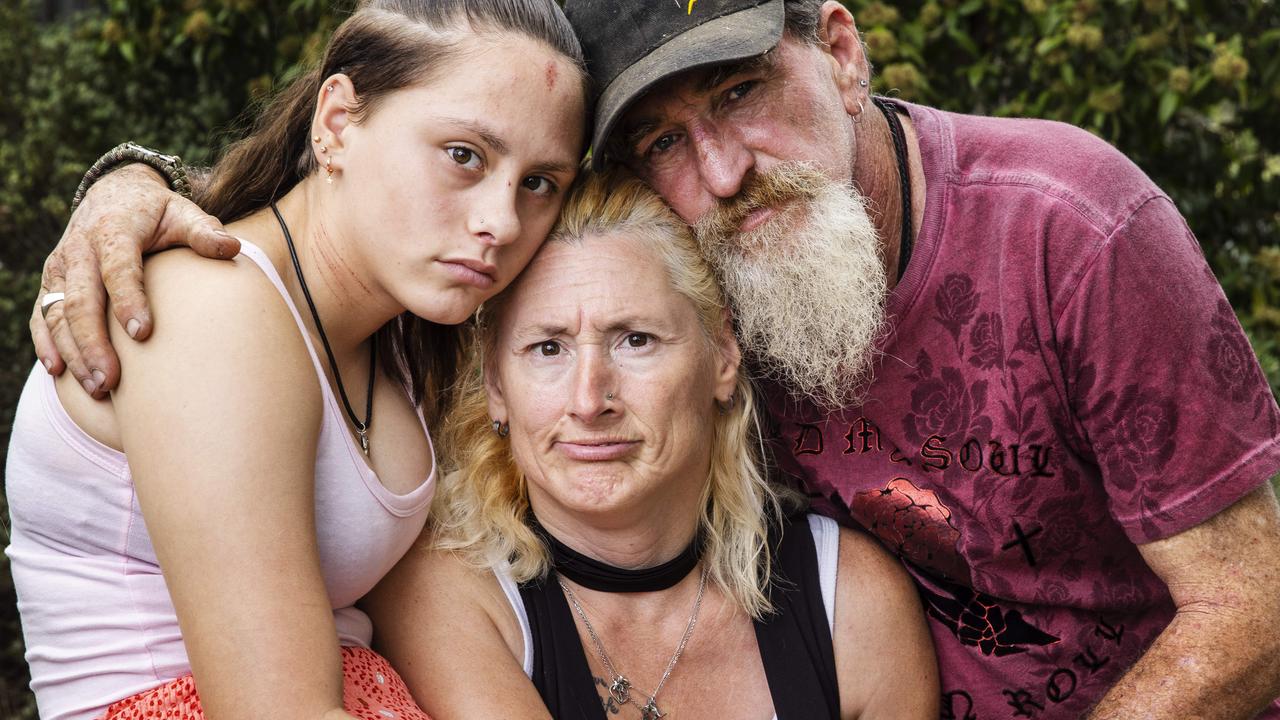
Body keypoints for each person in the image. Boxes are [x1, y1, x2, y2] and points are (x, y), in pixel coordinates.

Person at [26, 0, 1280, 717]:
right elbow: (347, 228)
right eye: (666, 140)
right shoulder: (684, 255)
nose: (721, 170)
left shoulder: (1063, 221)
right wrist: (130, 192)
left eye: (741, 93)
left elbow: (1254, 602)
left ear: (840, 51)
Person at [5, 0, 587, 717]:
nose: (500, 222)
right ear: (338, 122)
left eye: (539, 184)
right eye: (464, 155)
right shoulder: (211, 308)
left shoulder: (403, 337)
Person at [363, 169, 938, 719]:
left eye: (635, 340)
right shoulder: (447, 594)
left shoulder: (852, 603)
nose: (589, 401)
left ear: (722, 357)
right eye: (548, 348)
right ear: (496, 386)